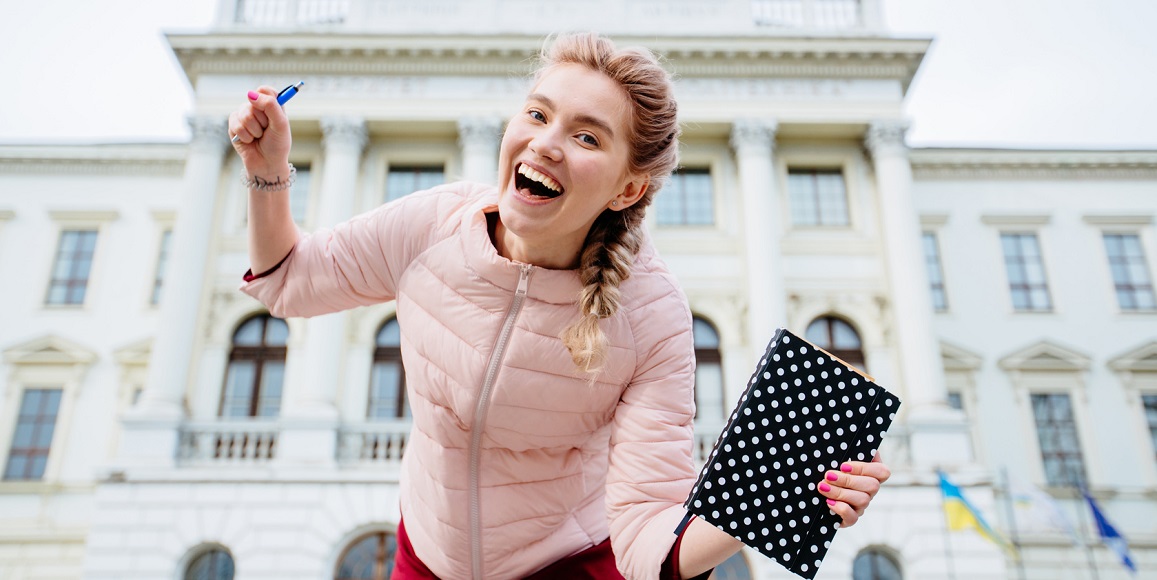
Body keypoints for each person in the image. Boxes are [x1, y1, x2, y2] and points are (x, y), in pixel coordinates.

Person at [229, 32, 891, 580]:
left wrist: (779, 501)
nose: (546, 142)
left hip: (567, 564)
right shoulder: (432, 225)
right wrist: (268, 170)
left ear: (628, 187)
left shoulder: (652, 315)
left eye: (587, 137)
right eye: (538, 114)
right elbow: (289, 280)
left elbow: (645, 545)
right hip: (426, 553)